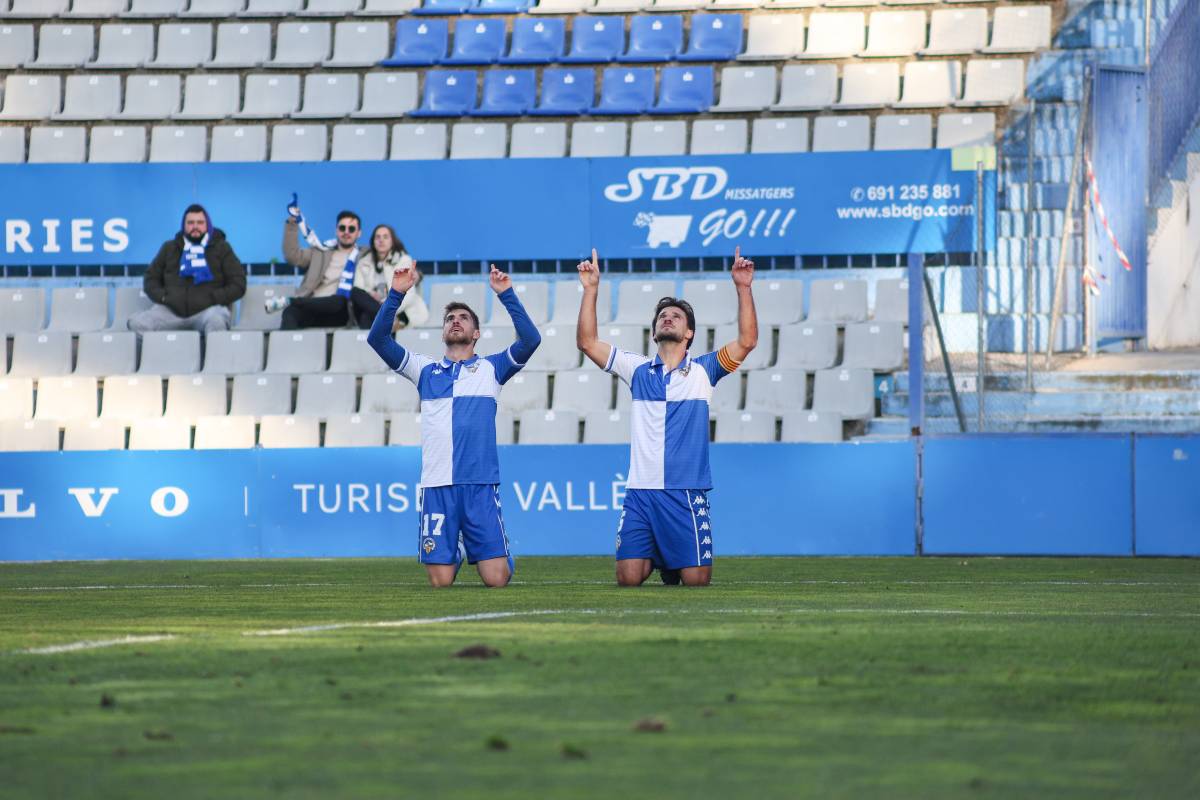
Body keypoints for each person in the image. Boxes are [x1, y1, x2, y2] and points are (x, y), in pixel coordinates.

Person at [576, 247, 758, 587]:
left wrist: (743, 287)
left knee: (696, 581)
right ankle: (662, 558)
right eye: (662, 316)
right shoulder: (638, 370)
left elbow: (747, 341)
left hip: (684, 491)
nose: (668, 318)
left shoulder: (705, 370)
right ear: (654, 332)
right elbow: (587, 342)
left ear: (689, 334)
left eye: (676, 316)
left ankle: (673, 562)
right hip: (641, 492)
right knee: (628, 579)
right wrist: (591, 290)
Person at [367, 264, 542, 588]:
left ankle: (494, 553)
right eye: (450, 318)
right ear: (443, 332)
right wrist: (397, 294)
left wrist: (506, 295)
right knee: (440, 583)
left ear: (476, 333)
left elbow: (531, 340)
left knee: (497, 580)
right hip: (438, 486)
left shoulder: (492, 368)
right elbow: (377, 338)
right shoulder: (424, 370)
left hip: (479, 486)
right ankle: (457, 549)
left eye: (463, 318)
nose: (455, 321)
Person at [128, 203, 245, 334]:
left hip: (207, 311)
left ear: (207, 225)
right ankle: (161, 354)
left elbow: (238, 284)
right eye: (190, 223)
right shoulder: (169, 248)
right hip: (171, 312)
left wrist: (214, 297)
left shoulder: (222, 248)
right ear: (184, 225)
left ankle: (214, 355)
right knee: (138, 324)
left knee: (216, 321)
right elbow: (150, 279)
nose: (195, 227)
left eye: (200, 222)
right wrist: (164, 298)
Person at [273, 198, 367, 329]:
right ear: (336, 230)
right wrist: (293, 222)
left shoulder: (365, 255)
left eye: (351, 229)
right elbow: (292, 256)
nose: (346, 232)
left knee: (339, 300)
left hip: (340, 311)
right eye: (342, 228)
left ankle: (293, 301)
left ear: (359, 233)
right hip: (312, 304)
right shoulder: (320, 251)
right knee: (290, 312)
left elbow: (386, 252)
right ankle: (288, 348)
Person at [353, 223, 429, 331]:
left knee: (369, 321)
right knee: (355, 292)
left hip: (398, 309)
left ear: (392, 241)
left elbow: (408, 294)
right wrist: (370, 293)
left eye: (385, 237)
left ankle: (390, 318)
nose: (381, 240)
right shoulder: (364, 262)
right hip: (374, 307)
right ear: (373, 241)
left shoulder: (403, 260)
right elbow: (359, 291)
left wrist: (388, 306)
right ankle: (389, 319)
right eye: (377, 237)